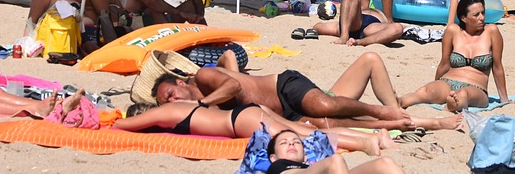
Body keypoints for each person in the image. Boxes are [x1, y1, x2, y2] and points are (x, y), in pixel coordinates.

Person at [150, 51, 459, 131]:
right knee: (322, 125)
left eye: (170, 95)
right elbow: (230, 64)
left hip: (285, 85)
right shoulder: (204, 110)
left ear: (180, 83)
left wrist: (204, 101)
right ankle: (404, 123)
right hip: (290, 113)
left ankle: (381, 110)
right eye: (169, 103)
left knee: (323, 105)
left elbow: (232, 84)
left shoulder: (204, 81)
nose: (174, 102)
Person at [110, 102, 392, 158]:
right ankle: (370, 137)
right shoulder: (180, 106)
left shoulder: (164, 113)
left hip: (239, 122)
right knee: (302, 130)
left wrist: (116, 118)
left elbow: (122, 124)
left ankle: (366, 145)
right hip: (244, 114)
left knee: (305, 136)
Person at [397, 0, 508, 112]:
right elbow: (444, 63)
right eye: (476, 15)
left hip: (476, 87)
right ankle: (398, 102)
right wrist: (436, 84)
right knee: (424, 92)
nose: (482, 18)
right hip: (447, 82)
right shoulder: (453, 31)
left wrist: (504, 99)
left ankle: (453, 105)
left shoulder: (491, 31)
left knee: (463, 95)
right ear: (464, 18)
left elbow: (497, 67)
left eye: (483, 13)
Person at [264, 128, 405, 174]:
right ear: (273, 157)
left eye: (296, 142)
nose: (291, 144)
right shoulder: (276, 167)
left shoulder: (314, 166)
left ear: (305, 155)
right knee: (335, 160)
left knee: (385, 163)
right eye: (284, 143)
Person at [311, 0, 403, 47]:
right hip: (366, 25)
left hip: (350, 25)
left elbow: (317, 27)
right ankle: (350, 38)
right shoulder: (377, 13)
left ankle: (349, 38)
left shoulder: (342, 24)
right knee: (397, 28)